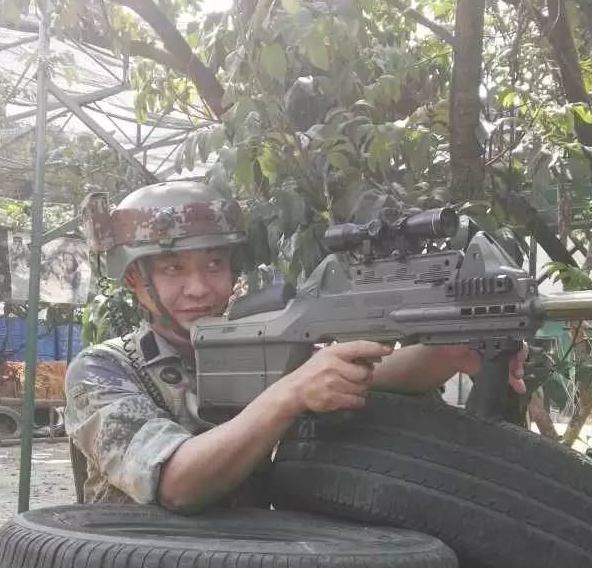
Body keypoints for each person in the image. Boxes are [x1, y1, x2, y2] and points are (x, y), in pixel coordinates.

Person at [66, 181, 526, 511]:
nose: (199, 288)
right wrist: (291, 395)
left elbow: (372, 372)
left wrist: (448, 352)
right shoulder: (103, 370)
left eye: (214, 264)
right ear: (135, 279)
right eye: (173, 269)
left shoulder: (253, 345)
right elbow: (176, 483)